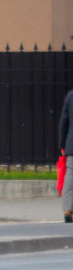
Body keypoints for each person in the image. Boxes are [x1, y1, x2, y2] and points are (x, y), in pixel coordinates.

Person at [59, 89, 73, 222]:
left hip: (71, 144)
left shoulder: (70, 96)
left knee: (70, 176)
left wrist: (62, 144)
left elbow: (64, 122)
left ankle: (68, 210)